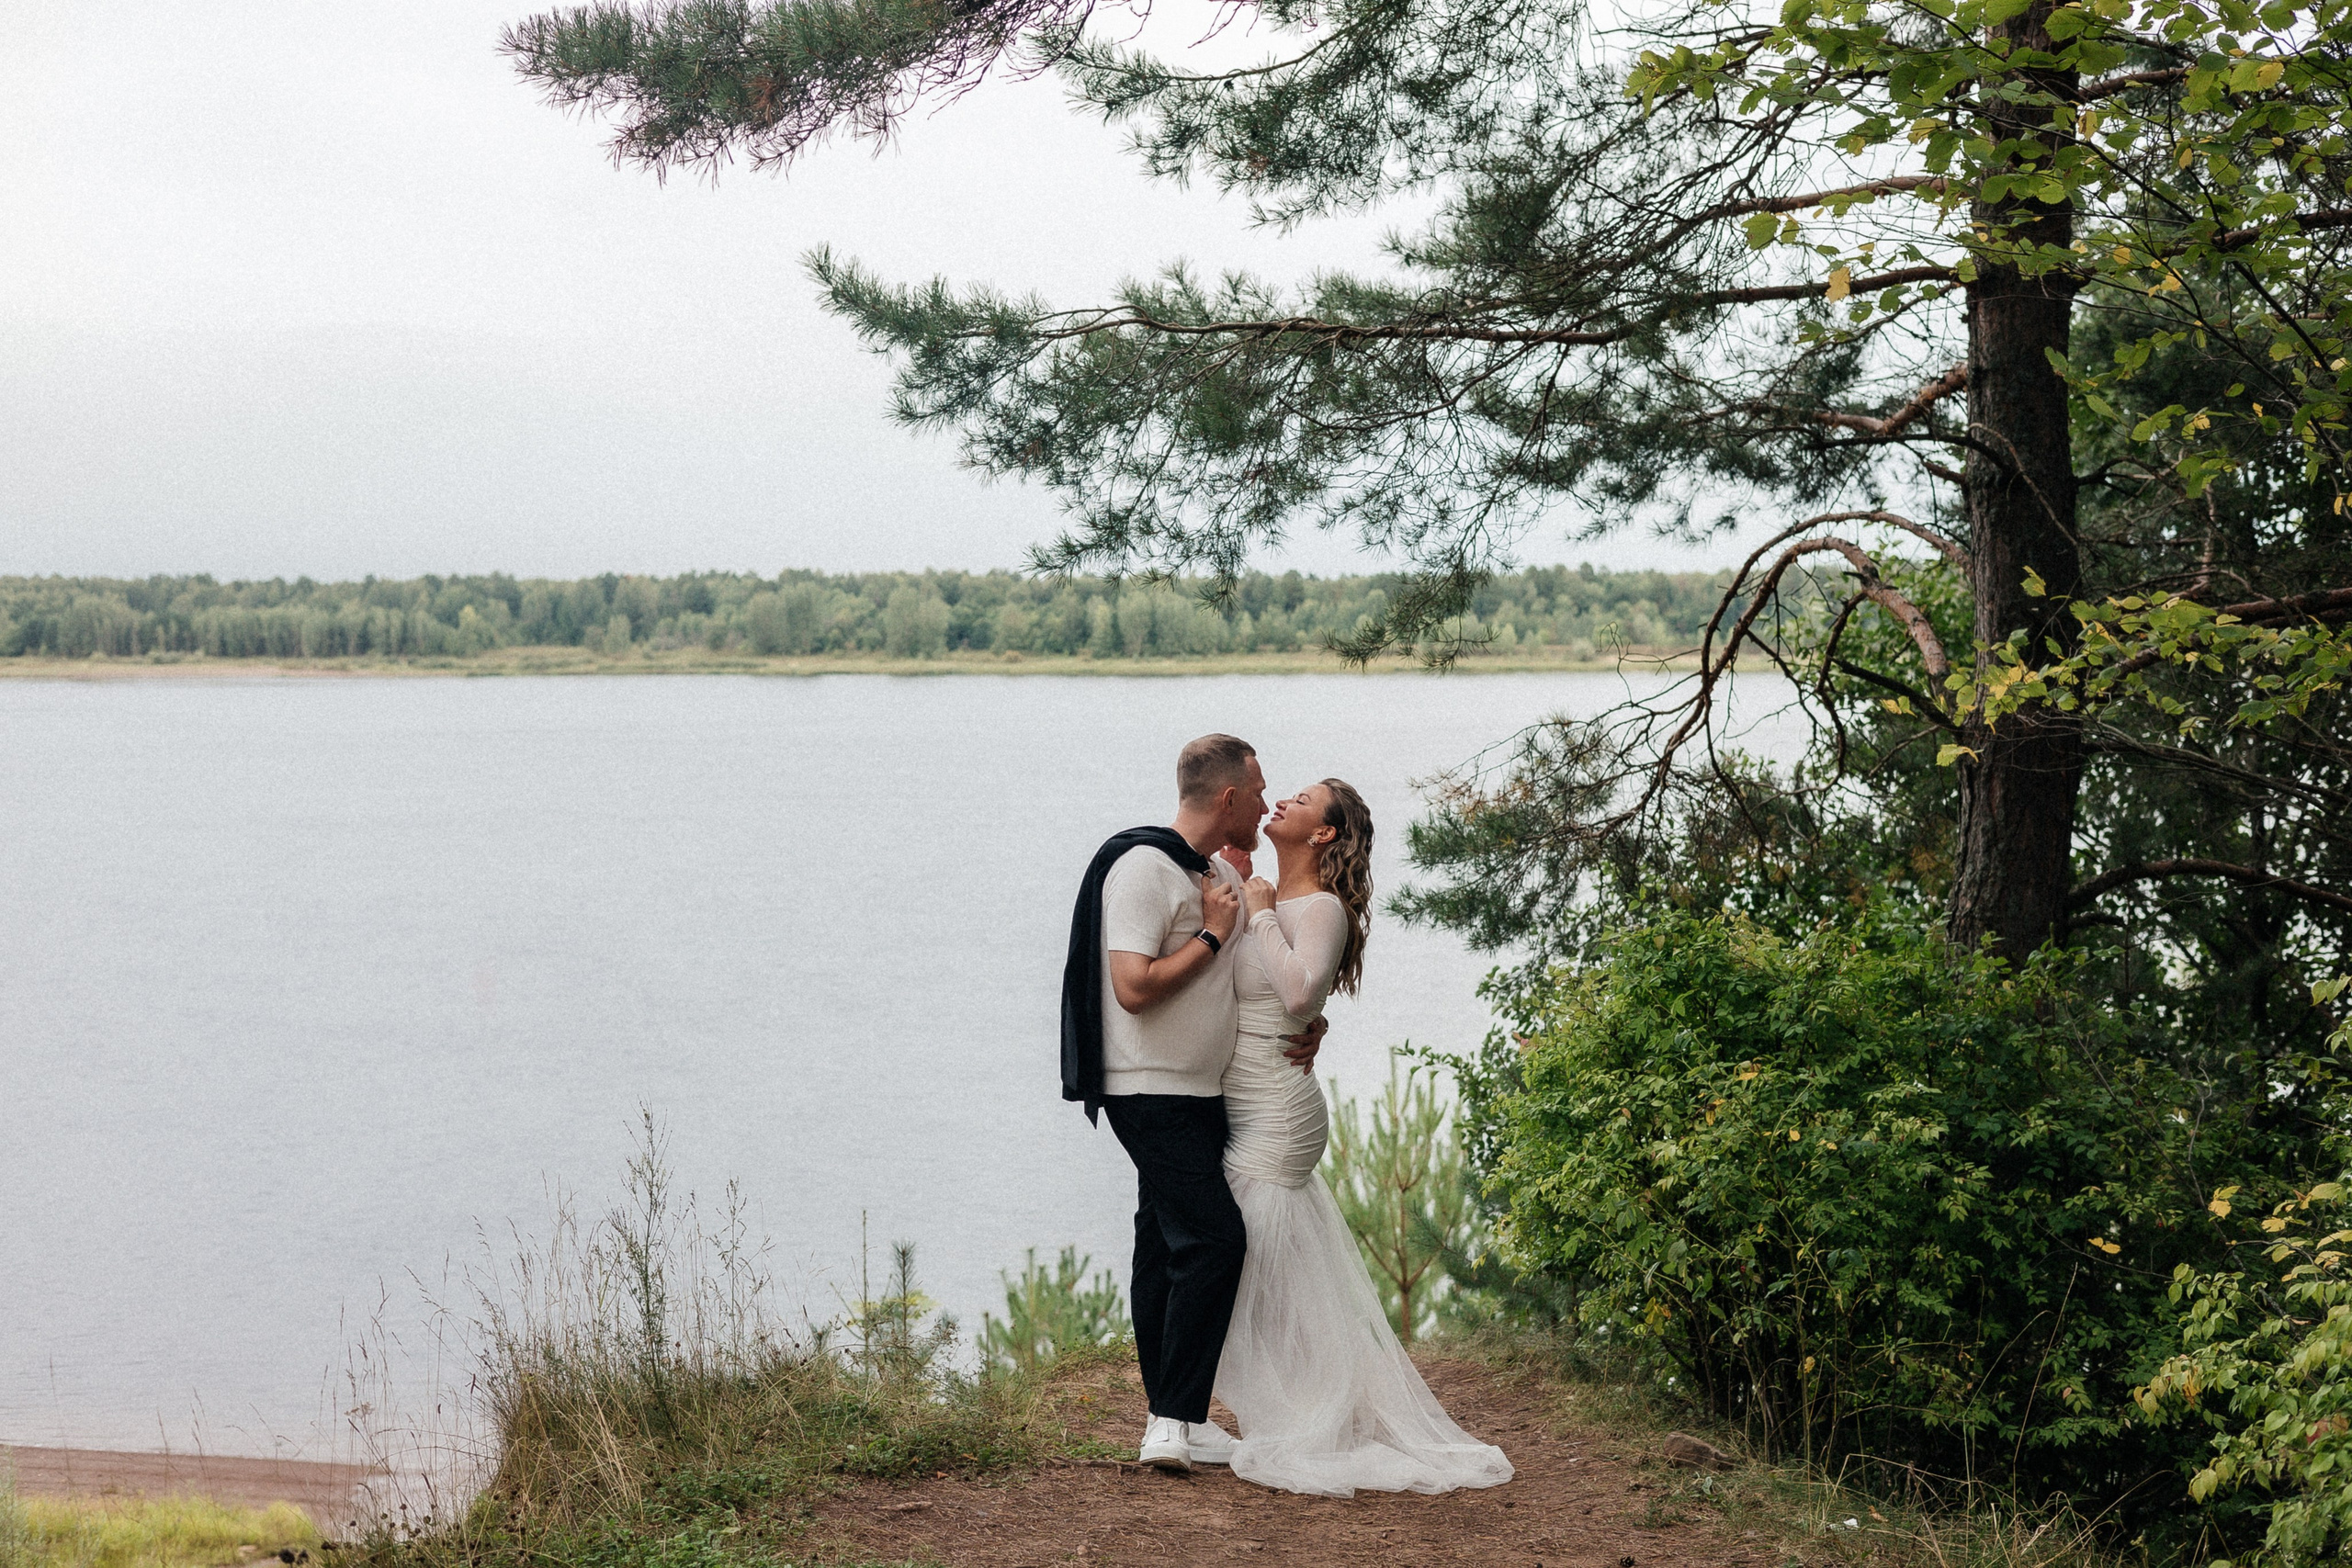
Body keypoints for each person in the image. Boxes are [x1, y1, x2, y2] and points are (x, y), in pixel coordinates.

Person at [1210, 778, 1514, 1497]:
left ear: (1323, 835)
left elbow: (1297, 993)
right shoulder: (1269, 895)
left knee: (1248, 1262)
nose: (1283, 799)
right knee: (1271, 1271)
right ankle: (1303, 1399)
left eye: (1305, 799)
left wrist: (1257, 919)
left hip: (1278, 1114)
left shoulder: (1317, 908)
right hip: (1244, 1100)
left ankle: (1311, 1410)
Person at [1058, 734, 1324, 1472]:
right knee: (1216, 1239)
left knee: (1164, 1243)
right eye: (1261, 788)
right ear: (1229, 796)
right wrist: (1210, 933)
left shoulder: (1212, 874)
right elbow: (1133, 988)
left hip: (1204, 1092)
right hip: (1148, 1089)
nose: (1269, 802)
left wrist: (1313, 1021)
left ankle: (1177, 1414)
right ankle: (1171, 1420)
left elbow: (1274, 974)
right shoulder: (1145, 868)